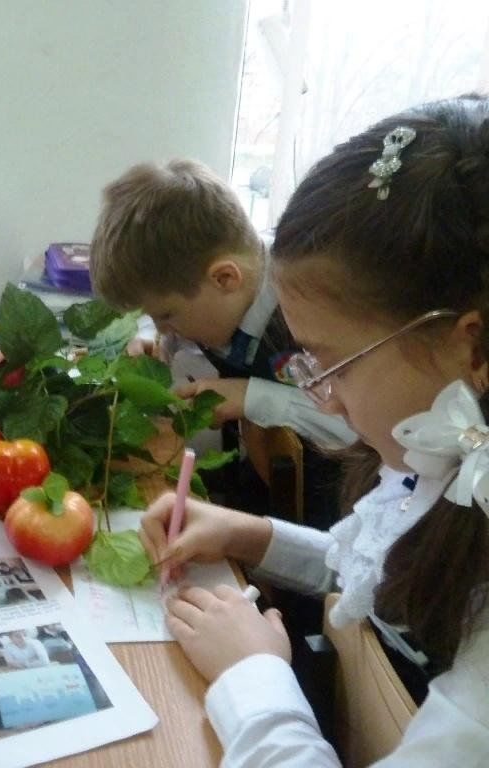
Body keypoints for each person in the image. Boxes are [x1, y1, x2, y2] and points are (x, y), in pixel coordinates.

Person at [140, 95, 489, 765]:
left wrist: (255, 679)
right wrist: (251, 534)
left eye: (333, 364)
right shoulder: (449, 446)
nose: (321, 401)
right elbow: (384, 566)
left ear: (467, 346)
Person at [88, 158, 355, 530]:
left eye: (166, 316)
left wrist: (248, 396)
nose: (166, 331)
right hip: (258, 500)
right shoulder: (228, 299)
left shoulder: (312, 317)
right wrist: (148, 339)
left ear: (225, 278)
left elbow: (354, 427)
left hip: (329, 528)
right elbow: (194, 329)